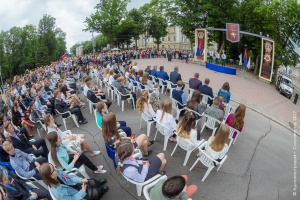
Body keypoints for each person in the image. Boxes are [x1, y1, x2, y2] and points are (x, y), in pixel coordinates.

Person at [40, 163, 109, 200]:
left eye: (53, 166)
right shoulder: (57, 192)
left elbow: (70, 177)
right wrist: (82, 191)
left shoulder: (57, 172)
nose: (56, 168)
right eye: (54, 169)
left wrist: (81, 180)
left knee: (92, 181)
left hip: (74, 186)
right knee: (96, 192)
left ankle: (97, 184)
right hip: (76, 195)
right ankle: (100, 190)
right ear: (51, 176)